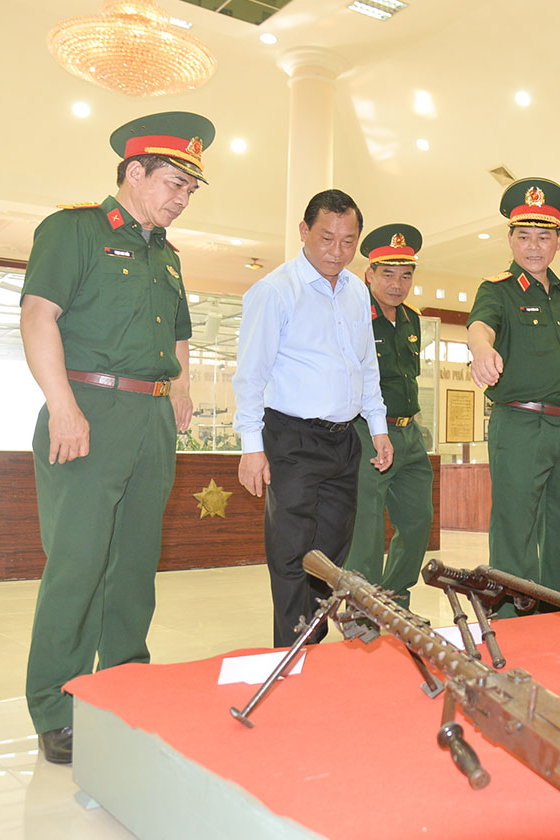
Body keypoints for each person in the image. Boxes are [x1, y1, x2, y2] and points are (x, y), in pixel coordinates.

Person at [20, 110, 214, 765]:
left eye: (190, 190)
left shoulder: (167, 254)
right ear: (134, 171)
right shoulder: (73, 229)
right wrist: (63, 407)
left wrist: (181, 384)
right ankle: (57, 702)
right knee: (78, 566)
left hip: (151, 422)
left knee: (134, 567)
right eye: (173, 184)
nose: (181, 199)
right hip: (88, 413)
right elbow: (37, 317)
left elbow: (180, 331)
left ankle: (126, 682)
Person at [233, 189, 394, 647]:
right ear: (304, 232)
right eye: (326, 238)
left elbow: (366, 367)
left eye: (348, 242)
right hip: (292, 439)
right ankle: (290, 654)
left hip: (345, 442)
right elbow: (251, 376)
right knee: (290, 556)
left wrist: (378, 428)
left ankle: (313, 648)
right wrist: (251, 448)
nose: (336, 252)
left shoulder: (356, 290)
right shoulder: (275, 291)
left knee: (329, 560)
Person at [467, 178, 560, 610]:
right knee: (514, 530)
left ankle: (555, 614)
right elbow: (480, 325)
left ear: (559, 240)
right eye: (524, 236)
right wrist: (481, 348)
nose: (533, 247)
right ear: (510, 239)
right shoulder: (497, 289)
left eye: (543, 237)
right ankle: (508, 621)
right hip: (519, 425)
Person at [343, 223, 433, 609]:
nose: (397, 284)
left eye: (406, 275)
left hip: (409, 435)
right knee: (364, 532)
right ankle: (363, 611)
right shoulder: (353, 314)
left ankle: (393, 600)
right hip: (366, 433)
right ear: (369, 274)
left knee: (417, 524)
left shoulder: (412, 319)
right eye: (388, 274)